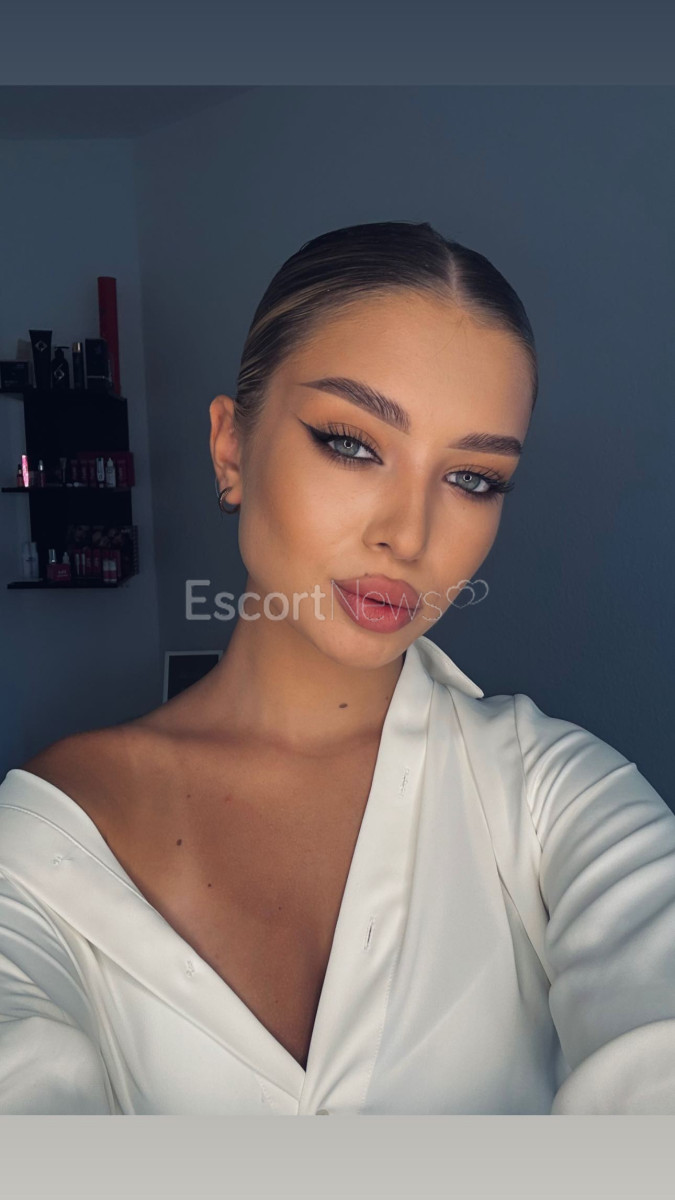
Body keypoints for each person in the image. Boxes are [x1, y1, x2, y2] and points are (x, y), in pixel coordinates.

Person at [1, 221, 674, 1115]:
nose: (409, 534)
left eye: (472, 478)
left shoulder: (555, 797)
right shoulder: (41, 842)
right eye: (351, 444)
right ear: (230, 449)